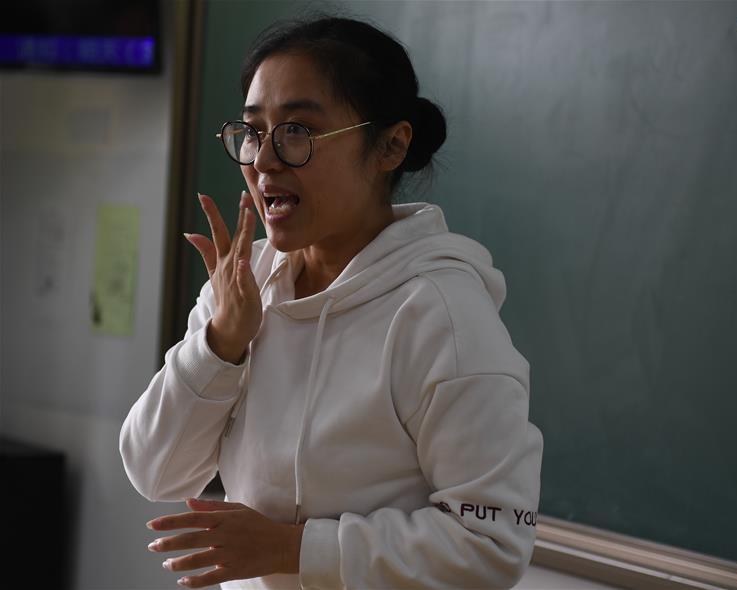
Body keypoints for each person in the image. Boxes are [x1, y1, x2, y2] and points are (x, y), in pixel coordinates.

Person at [119, 14, 543, 590]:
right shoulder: (245, 285)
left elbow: (490, 544)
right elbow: (155, 470)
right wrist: (220, 344)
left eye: (297, 131)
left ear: (390, 145)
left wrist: (293, 548)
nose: (263, 161)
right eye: (253, 132)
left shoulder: (441, 313)